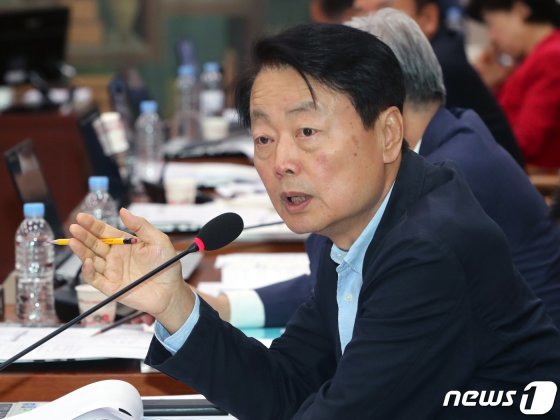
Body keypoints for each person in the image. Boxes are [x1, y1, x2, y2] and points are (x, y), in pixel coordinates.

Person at [69, 23, 560, 419]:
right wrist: (174, 303)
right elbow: (288, 387)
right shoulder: (352, 229)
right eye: (264, 139)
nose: (281, 162)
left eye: (307, 131)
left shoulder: (427, 250)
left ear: (389, 134)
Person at [206, 7, 560, 330]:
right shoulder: (444, 135)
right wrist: (227, 306)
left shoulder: (453, 174)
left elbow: (359, 283)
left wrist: (227, 307)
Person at [352, 0, 525, 167]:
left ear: (428, 17)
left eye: (385, 8)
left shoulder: (443, 65)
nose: (371, 18)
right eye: (360, 11)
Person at [466, 0, 560, 168]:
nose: (492, 38)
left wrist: (479, 91)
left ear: (520, 10)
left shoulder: (550, 57)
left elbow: (522, 144)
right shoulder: (532, 59)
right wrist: (493, 85)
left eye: (491, 24)